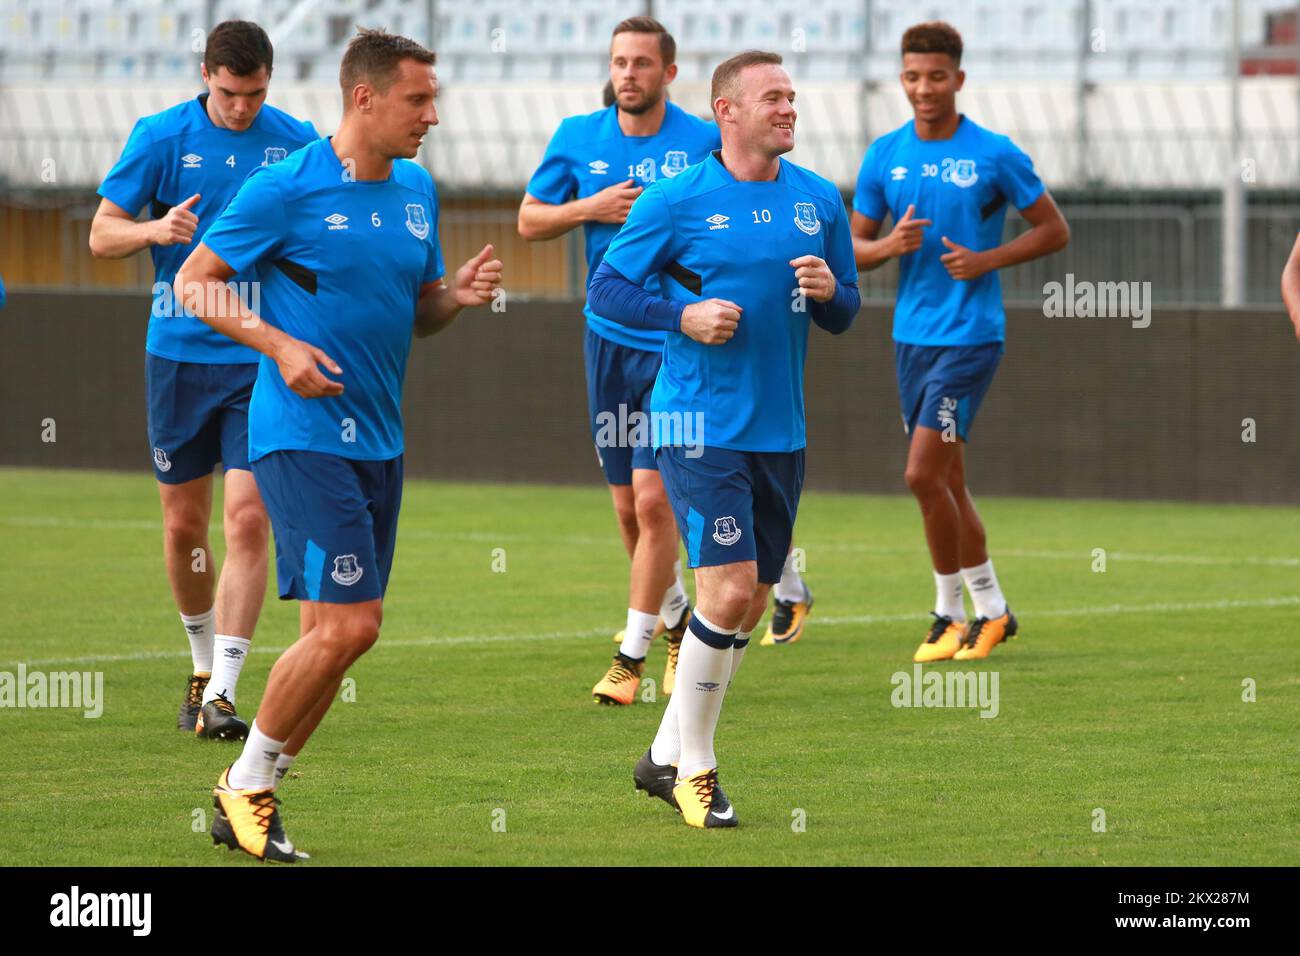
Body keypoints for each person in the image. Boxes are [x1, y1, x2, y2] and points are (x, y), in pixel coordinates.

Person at [177, 28, 503, 862]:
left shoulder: (418, 190)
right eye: (418, 99)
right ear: (365, 97)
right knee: (353, 626)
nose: (433, 114)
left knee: (342, 631)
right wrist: (280, 347)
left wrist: (456, 297)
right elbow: (194, 285)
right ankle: (244, 785)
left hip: (380, 444)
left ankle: (254, 795)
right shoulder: (283, 188)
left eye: (434, 99)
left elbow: (421, 311)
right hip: (301, 436)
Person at [588, 50, 859, 827]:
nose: (788, 109)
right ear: (726, 111)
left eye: (792, 97)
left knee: (748, 602)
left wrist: (832, 291)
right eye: (773, 98)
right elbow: (605, 288)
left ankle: (663, 754)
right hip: (694, 421)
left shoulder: (817, 200)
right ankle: (696, 772)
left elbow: (847, 312)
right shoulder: (677, 200)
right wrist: (682, 317)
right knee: (731, 589)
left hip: (780, 427)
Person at [89, 20, 319, 739]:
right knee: (184, 524)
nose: (242, 108)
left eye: (254, 93)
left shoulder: (298, 139)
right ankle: (198, 662)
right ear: (205, 75)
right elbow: (101, 234)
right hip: (180, 356)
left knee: (248, 518)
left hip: (257, 357)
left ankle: (223, 689)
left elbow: (315, 230)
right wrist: (154, 232)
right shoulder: (160, 137)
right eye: (229, 93)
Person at [851, 21, 1069, 662]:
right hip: (910, 339)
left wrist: (987, 259)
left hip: (970, 339)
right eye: (913, 76)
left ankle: (946, 612)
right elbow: (852, 250)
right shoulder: (884, 154)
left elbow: (1054, 229)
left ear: (959, 79)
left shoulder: (993, 152)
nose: (924, 88)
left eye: (936, 77)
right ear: (902, 79)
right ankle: (993, 610)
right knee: (947, 483)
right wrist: (887, 247)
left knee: (921, 474)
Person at [518, 17, 721, 705]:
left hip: (672, 339)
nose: (628, 73)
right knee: (628, 510)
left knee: (653, 497)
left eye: (641, 62)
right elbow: (528, 220)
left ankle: (629, 657)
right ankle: (676, 625)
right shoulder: (578, 137)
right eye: (618, 61)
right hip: (606, 338)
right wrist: (590, 207)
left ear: (668, 70)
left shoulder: (701, 140)